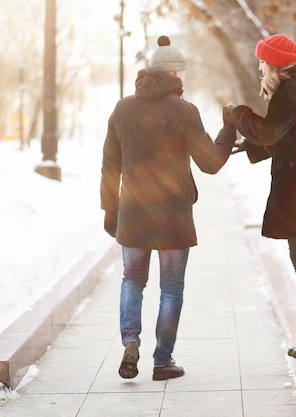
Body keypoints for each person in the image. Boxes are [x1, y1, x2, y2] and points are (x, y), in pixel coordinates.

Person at [100, 35, 236, 380]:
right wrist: (229, 128)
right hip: (173, 216)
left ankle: (130, 341)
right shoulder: (185, 111)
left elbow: (109, 167)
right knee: (171, 289)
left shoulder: (122, 108)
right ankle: (162, 360)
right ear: (175, 73)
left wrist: (109, 211)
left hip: (132, 213)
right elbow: (210, 163)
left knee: (132, 281)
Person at [224, 34, 296, 359]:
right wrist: (250, 146)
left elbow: (269, 131)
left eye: (263, 60)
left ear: (274, 63)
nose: (260, 65)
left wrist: (237, 114)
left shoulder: (290, 90)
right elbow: (284, 134)